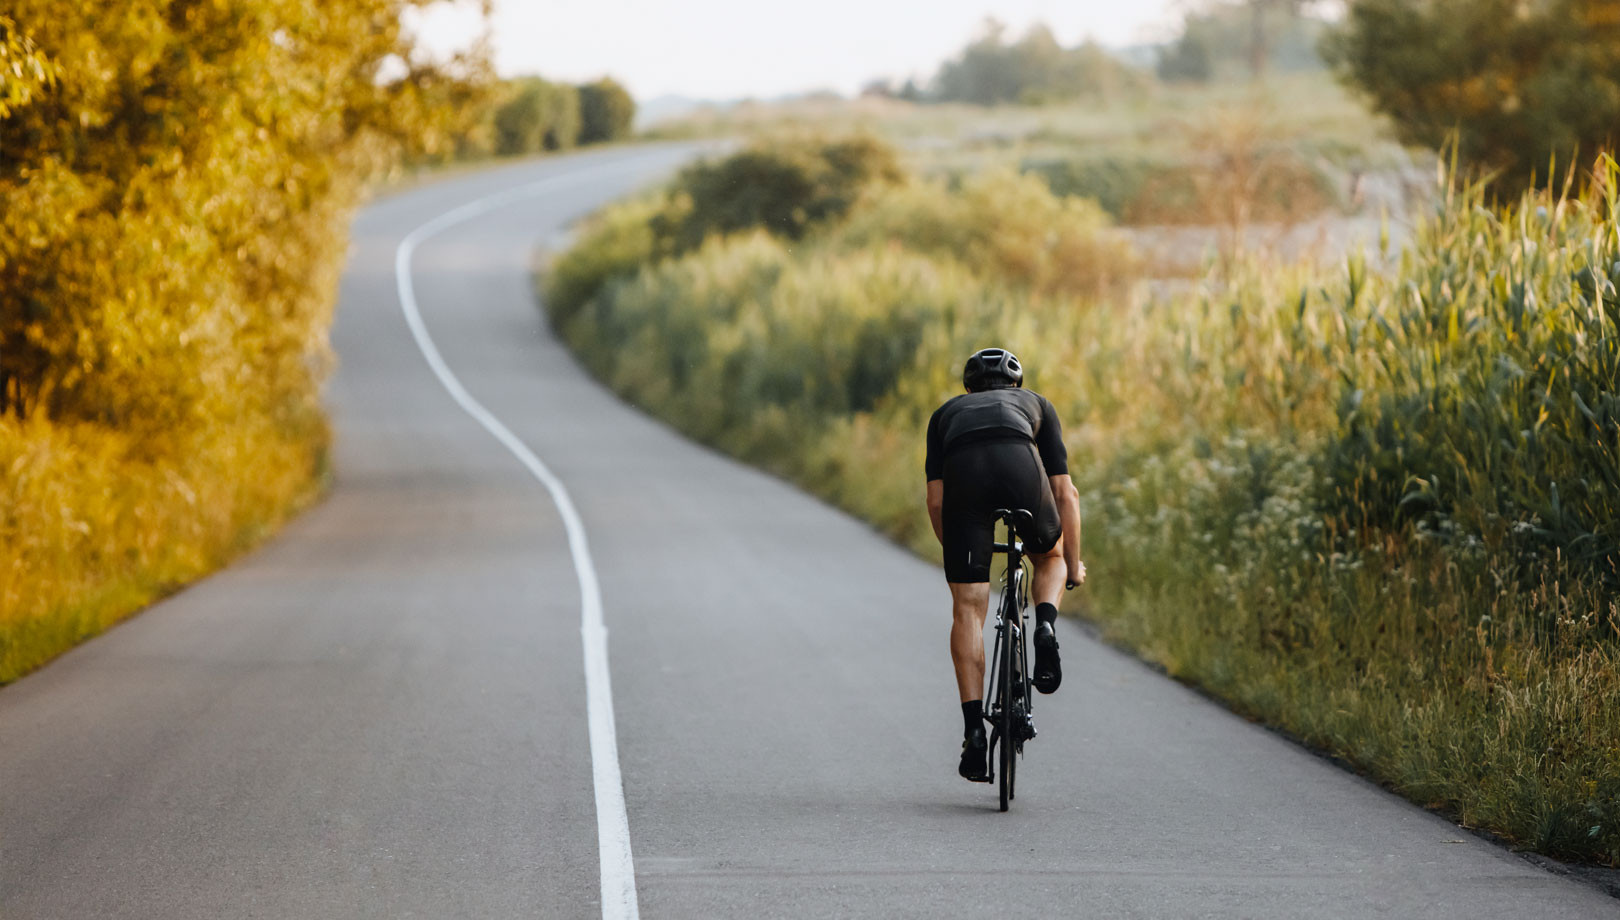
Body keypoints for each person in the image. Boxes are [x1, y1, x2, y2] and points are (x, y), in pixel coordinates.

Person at [924, 347, 1084, 782]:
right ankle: (1045, 626)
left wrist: (959, 553)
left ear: (968, 388)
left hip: (966, 482)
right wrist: (1072, 563)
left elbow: (936, 501)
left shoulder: (945, 415)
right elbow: (1065, 493)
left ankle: (974, 730)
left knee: (968, 609)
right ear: (1016, 385)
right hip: (1021, 468)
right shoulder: (1037, 404)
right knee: (1048, 556)